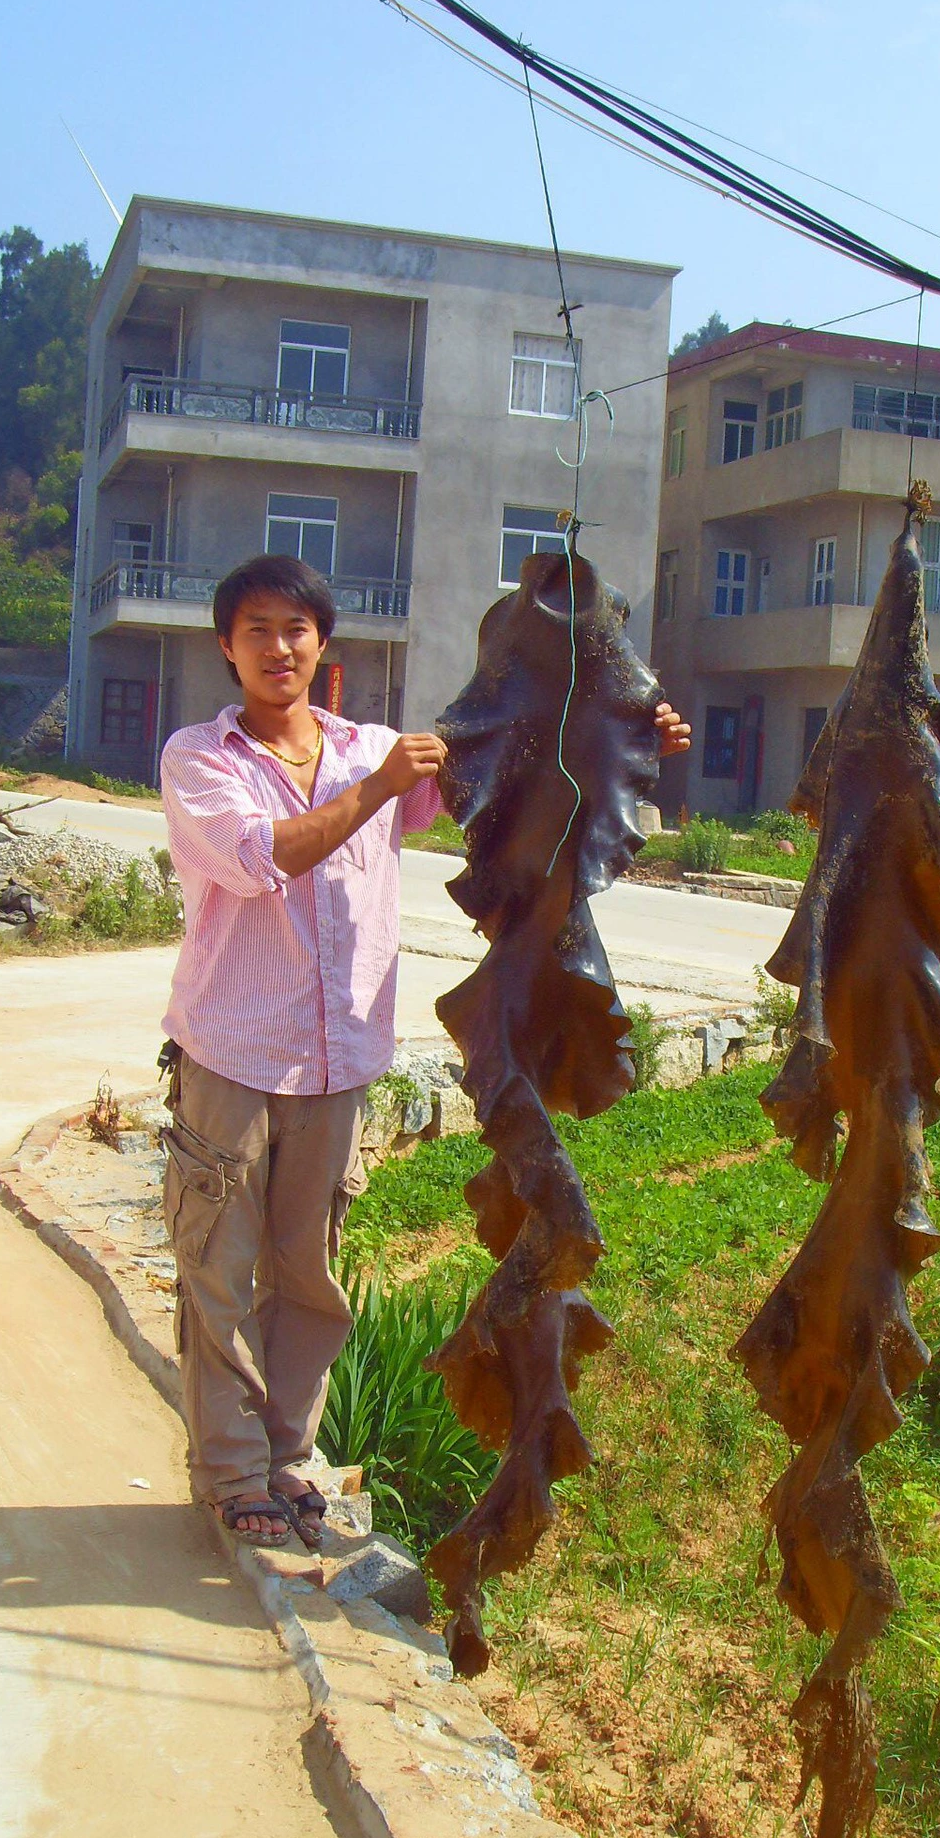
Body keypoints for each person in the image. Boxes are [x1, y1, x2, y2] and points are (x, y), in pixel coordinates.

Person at [158, 553, 690, 1546]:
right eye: (258, 629)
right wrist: (376, 790)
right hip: (231, 1058)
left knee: (308, 1276)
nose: (280, 647)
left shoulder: (373, 747)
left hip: (337, 1063)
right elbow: (257, 857)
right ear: (227, 646)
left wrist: (624, 729)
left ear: (324, 645)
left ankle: (286, 1459)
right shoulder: (204, 759)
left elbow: (517, 764)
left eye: (296, 629)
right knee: (220, 1275)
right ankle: (230, 1476)